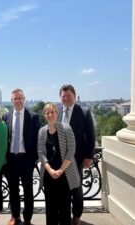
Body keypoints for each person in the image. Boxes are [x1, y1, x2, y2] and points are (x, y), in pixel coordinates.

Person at [3, 88, 41, 225]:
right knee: (13, 190)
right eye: (15, 98)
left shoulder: (33, 116)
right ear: (11, 100)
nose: (18, 100)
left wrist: (34, 158)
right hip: (11, 160)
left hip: (27, 160)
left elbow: (39, 138)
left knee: (28, 191)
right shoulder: (6, 117)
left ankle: (28, 219)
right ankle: (15, 216)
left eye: (20, 98)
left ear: (24, 99)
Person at [38, 103, 81, 225]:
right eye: (47, 113)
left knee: (64, 208)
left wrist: (61, 170)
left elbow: (71, 150)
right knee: (50, 208)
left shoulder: (66, 128)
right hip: (49, 174)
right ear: (44, 115)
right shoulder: (41, 131)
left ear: (57, 114)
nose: (50, 115)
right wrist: (50, 170)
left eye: (52, 112)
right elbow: (40, 152)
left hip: (65, 174)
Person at [59, 84, 96, 225]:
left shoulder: (84, 112)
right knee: (63, 190)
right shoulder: (57, 112)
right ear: (60, 98)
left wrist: (88, 157)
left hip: (77, 159)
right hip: (60, 160)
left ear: (74, 96)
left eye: (68, 95)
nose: (66, 98)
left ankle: (76, 216)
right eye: (63, 96)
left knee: (76, 190)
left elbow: (91, 136)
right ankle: (64, 215)